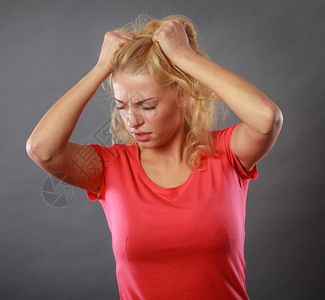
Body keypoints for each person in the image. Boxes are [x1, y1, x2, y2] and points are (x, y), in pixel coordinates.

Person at [27, 14, 283, 300]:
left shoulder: (226, 153)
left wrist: (184, 57)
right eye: (122, 106)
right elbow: (42, 149)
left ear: (183, 97)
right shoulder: (110, 167)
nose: (132, 121)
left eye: (146, 106)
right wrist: (101, 67)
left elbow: (267, 119)